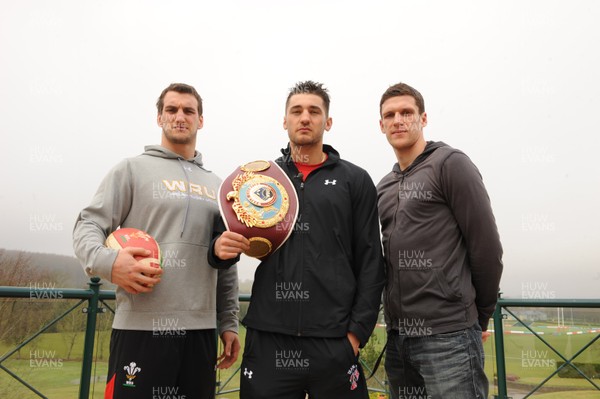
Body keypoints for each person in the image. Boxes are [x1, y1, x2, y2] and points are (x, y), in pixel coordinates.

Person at [73, 83, 247, 399]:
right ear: (159, 118)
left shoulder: (219, 186)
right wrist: (111, 264)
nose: (180, 117)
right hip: (140, 331)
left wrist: (228, 322)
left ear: (201, 120)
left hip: (201, 334)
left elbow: (226, 260)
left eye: (189, 110)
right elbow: (87, 226)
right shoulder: (130, 170)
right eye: (171, 109)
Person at [237, 80, 386, 399]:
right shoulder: (260, 180)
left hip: (334, 342)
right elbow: (231, 242)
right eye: (297, 111)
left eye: (314, 111)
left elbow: (372, 262)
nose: (305, 117)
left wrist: (356, 334)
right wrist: (217, 251)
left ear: (327, 122)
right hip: (269, 339)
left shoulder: (355, 180)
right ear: (285, 120)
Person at [377, 82, 503, 399]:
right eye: (390, 115)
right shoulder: (384, 187)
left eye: (407, 112)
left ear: (423, 118)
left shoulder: (451, 164)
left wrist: (479, 318)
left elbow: (487, 249)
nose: (398, 120)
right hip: (398, 340)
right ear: (381, 125)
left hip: (450, 337)